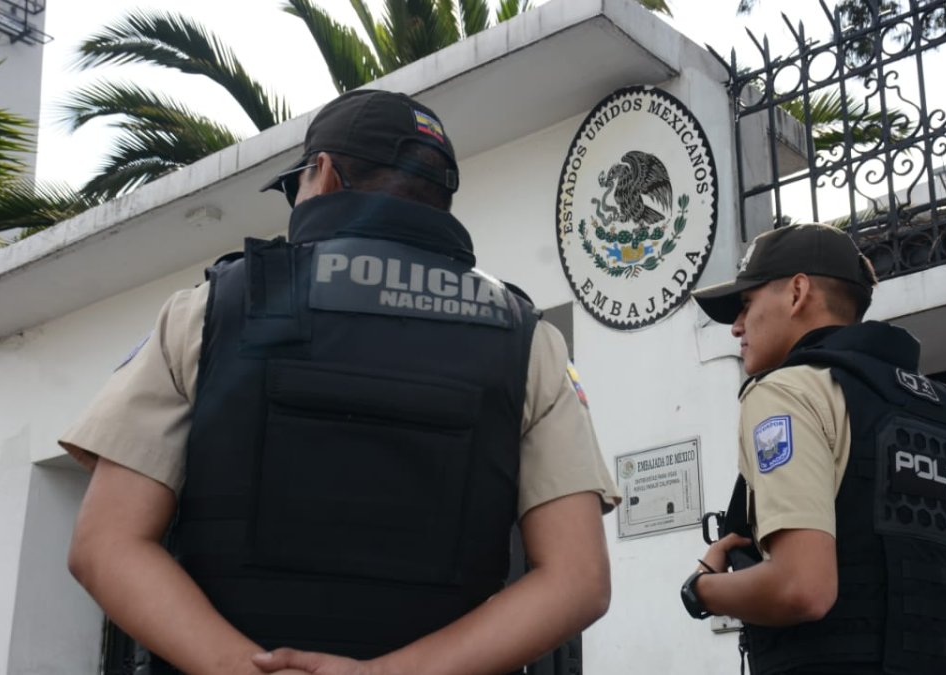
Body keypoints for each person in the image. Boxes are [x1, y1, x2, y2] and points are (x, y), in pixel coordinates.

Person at [62, 89, 619, 675]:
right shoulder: (525, 337)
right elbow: (578, 579)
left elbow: (105, 545)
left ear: (322, 175)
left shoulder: (211, 310)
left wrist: (238, 665)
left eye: (293, 184)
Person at [681, 223, 946, 674]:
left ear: (797, 292)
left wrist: (702, 589)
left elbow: (802, 588)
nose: (736, 327)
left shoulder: (788, 392)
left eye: (745, 304)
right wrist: (899, 616)